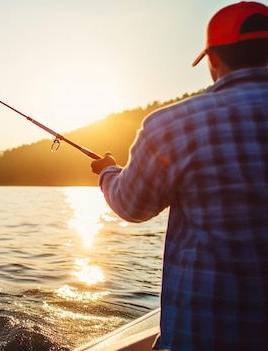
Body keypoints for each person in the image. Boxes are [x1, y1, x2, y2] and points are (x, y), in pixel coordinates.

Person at [90, 2, 268, 350]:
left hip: (204, 339)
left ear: (213, 60)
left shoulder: (172, 125)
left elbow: (131, 206)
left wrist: (108, 171)